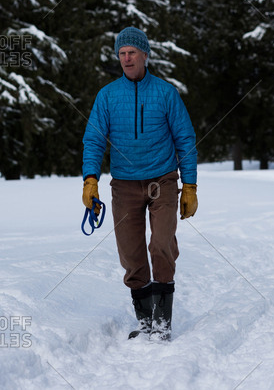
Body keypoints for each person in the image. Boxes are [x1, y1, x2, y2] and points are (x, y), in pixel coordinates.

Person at [82, 26, 198, 341]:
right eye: (122, 53)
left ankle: (162, 323)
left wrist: (189, 185)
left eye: (132, 52)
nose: (126, 58)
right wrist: (90, 179)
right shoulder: (107, 95)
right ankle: (145, 320)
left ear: (145, 54)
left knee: (161, 244)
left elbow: (185, 139)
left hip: (162, 179)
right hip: (124, 185)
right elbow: (93, 139)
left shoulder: (165, 93)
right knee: (131, 255)